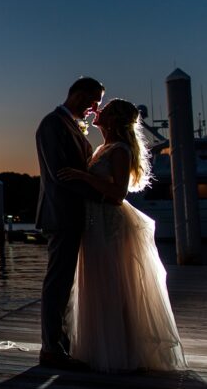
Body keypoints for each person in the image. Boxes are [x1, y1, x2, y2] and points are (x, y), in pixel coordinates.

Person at [57, 99, 187, 373]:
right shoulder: (104, 147)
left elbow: (118, 195)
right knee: (96, 282)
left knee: (112, 283)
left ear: (113, 119)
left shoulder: (120, 150)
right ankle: (98, 347)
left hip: (110, 223)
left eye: (104, 109)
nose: (97, 111)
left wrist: (83, 176)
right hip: (94, 222)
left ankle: (119, 352)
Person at [35, 76, 105, 370]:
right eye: (93, 101)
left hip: (76, 214)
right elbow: (60, 173)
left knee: (69, 283)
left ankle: (64, 344)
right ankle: (51, 349)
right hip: (61, 214)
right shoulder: (52, 124)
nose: (94, 109)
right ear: (78, 95)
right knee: (58, 282)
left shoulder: (71, 126)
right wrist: (102, 193)